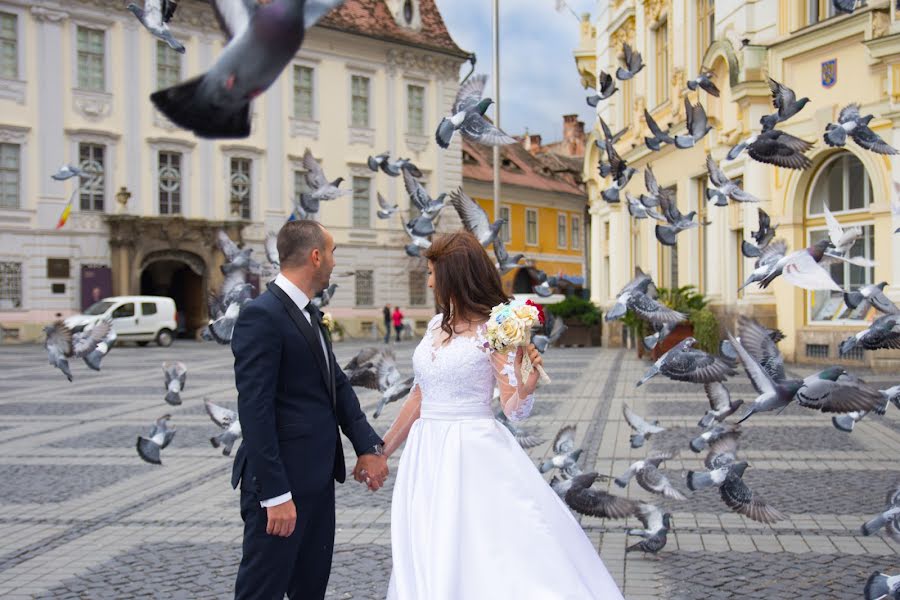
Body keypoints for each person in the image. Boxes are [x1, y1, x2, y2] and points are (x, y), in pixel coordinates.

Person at [376, 231, 623, 599]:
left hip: (472, 454)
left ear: (453, 275)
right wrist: (381, 451)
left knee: (485, 553)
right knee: (430, 545)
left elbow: (514, 409)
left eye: (432, 273)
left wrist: (526, 383)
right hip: (426, 455)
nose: (428, 281)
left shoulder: (495, 331)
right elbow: (419, 395)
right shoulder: (434, 326)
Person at [230, 220, 388, 600]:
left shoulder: (308, 313)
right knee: (262, 591)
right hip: (282, 486)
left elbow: (335, 386)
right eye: (332, 252)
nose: (334, 261)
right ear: (315, 256)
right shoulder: (262, 315)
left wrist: (368, 446)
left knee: (310, 589)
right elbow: (255, 411)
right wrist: (275, 494)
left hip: (317, 481)